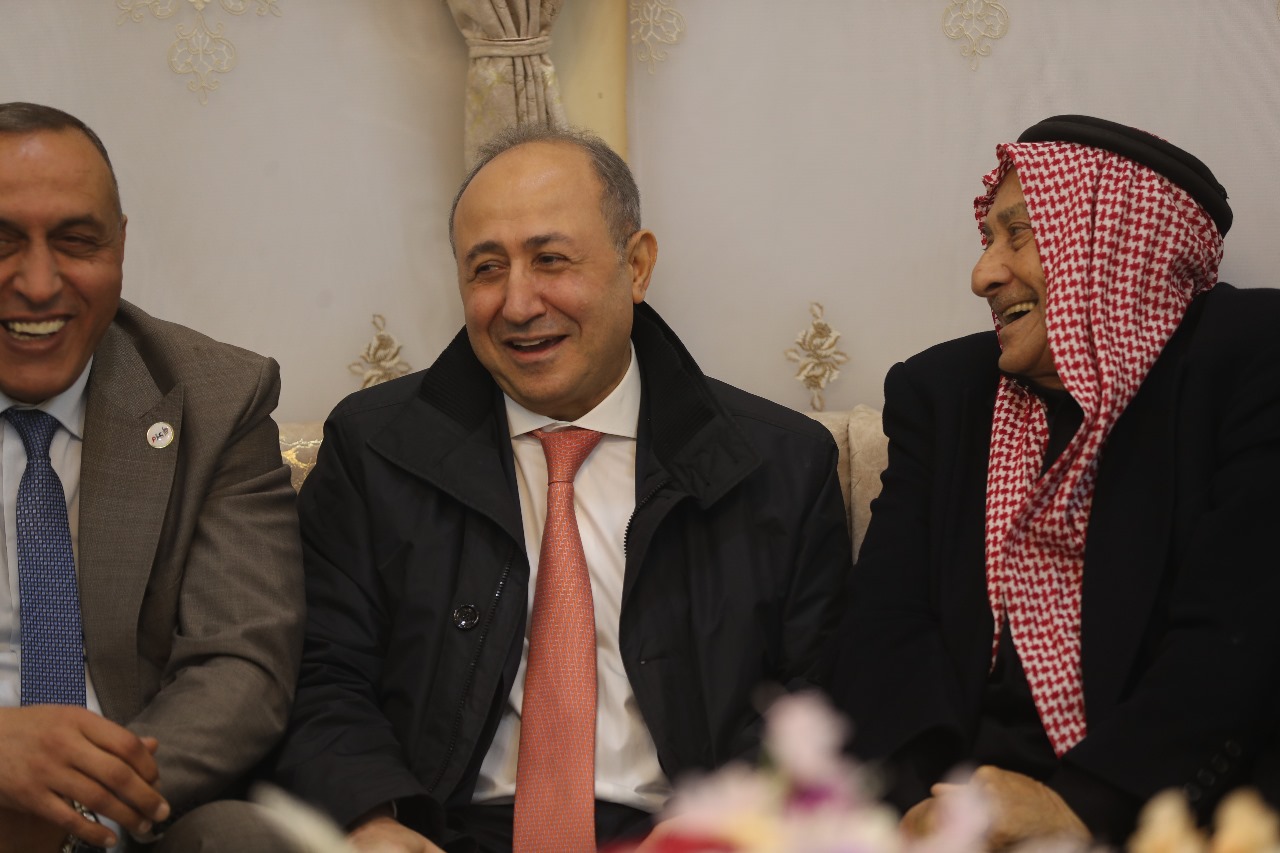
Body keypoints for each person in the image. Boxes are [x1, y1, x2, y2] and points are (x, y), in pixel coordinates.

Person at [274, 125, 852, 853]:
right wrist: (370, 816)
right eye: (487, 269)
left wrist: (729, 824)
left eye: (550, 260)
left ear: (636, 266)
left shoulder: (778, 466)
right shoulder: (375, 451)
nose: (518, 304)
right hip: (445, 831)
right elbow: (320, 671)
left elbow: (817, 697)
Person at [824, 114, 1280, 849]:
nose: (983, 275)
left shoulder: (1249, 360)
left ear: (1116, 242)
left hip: (1164, 809)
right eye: (987, 240)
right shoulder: (942, 393)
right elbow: (885, 630)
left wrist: (1084, 807)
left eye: (1019, 235)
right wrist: (925, 809)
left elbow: (1240, 632)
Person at [0, 102, 304, 852]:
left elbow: (240, 664)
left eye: (76, 241)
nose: (38, 284)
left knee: (243, 838)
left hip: (132, 811)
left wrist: (81, 804)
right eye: (1, 241)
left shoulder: (216, 397)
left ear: (121, 246)